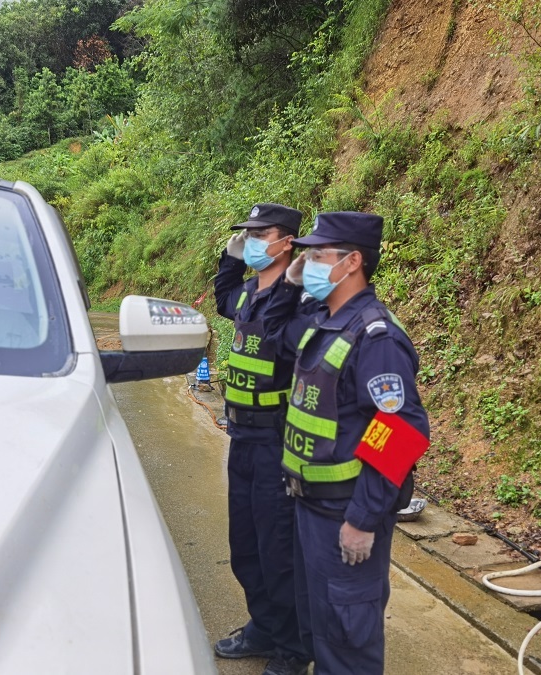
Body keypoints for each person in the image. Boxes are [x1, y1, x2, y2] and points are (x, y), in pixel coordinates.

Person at [273, 211, 430, 675]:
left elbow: (399, 430)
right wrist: (290, 286)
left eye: (318, 255)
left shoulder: (376, 337)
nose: (308, 264)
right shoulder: (325, 321)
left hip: (344, 512)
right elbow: (274, 335)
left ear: (352, 262)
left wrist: (362, 518)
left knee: (347, 638)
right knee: (320, 627)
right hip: (310, 506)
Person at [213, 203, 311, 675]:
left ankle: (292, 647)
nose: (251, 241)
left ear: (287, 242)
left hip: (276, 439)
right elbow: (224, 299)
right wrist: (230, 260)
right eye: (246, 235)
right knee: (246, 544)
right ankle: (264, 627)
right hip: (243, 437)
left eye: (259, 235)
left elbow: (283, 331)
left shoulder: (301, 300)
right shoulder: (250, 293)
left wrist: (287, 285)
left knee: (278, 550)